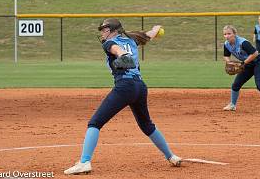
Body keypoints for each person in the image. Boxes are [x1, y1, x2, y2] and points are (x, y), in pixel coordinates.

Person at [64, 19, 182, 175]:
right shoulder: (132, 38)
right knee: (147, 125)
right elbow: (150, 34)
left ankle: (85, 162)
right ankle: (172, 156)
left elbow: (117, 49)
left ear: (113, 31)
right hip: (140, 87)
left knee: (95, 123)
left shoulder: (109, 43)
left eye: (105, 30)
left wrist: (123, 54)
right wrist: (157, 28)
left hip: (125, 87)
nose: (102, 33)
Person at [222, 25, 260, 114]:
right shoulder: (226, 44)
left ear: (235, 34)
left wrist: (243, 63)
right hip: (247, 64)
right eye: (225, 34)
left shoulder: (242, 43)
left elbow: (255, 53)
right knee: (236, 85)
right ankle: (232, 105)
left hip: (259, 62)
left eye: (229, 33)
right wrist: (229, 63)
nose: (227, 36)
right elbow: (226, 56)